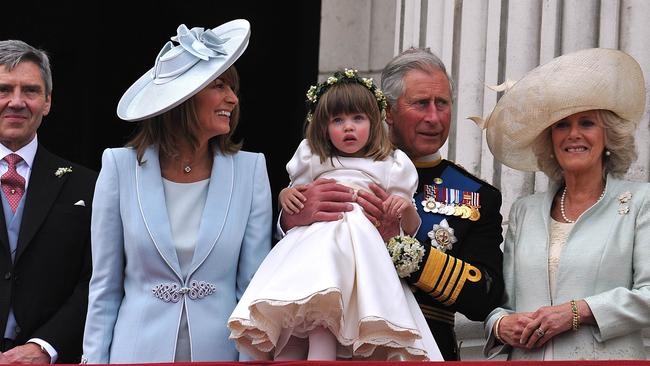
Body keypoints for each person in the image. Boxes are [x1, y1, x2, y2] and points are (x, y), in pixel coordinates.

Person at [279, 48, 505, 360]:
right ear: (387, 111)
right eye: (421, 104)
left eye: (442, 104)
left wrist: (401, 251)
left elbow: (486, 295)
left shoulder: (476, 195)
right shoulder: (329, 166)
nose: (433, 117)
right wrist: (291, 219)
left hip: (420, 347)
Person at [81, 20, 272, 363]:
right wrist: (93, 360)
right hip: (136, 352)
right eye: (219, 85)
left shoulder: (251, 170)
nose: (232, 98)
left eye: (233, 88)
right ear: (183, 97)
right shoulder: (119, 167)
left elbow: (252, 289)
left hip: (220, 353)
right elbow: (104, 287)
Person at [229, 69, 442, 361]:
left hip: (364, 253)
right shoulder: (313, 156)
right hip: (316, 244)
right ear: (323, 126)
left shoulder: (392, 163)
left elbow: (411, 227)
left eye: (358, 118)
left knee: (343, 312)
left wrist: (403, 208)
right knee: (308, 312)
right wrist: (285, 195)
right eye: (337, 120)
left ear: (375, 121)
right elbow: (296, 192)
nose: (348, 128)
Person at [479, 48, 650, 360]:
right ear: (550, 138)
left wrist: (579, 310)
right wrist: (500, 324)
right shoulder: (524, 211)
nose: (573, 134)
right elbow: (505, 301)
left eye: (586, 123)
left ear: (607, 135)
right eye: (561, 125)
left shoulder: (641, 203)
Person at [0, 40, 97, 364]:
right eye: (3, 89)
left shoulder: (87, 185)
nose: (16, 102)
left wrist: (45, 346)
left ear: (47, 102)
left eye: (30, 90)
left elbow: (98, 278)